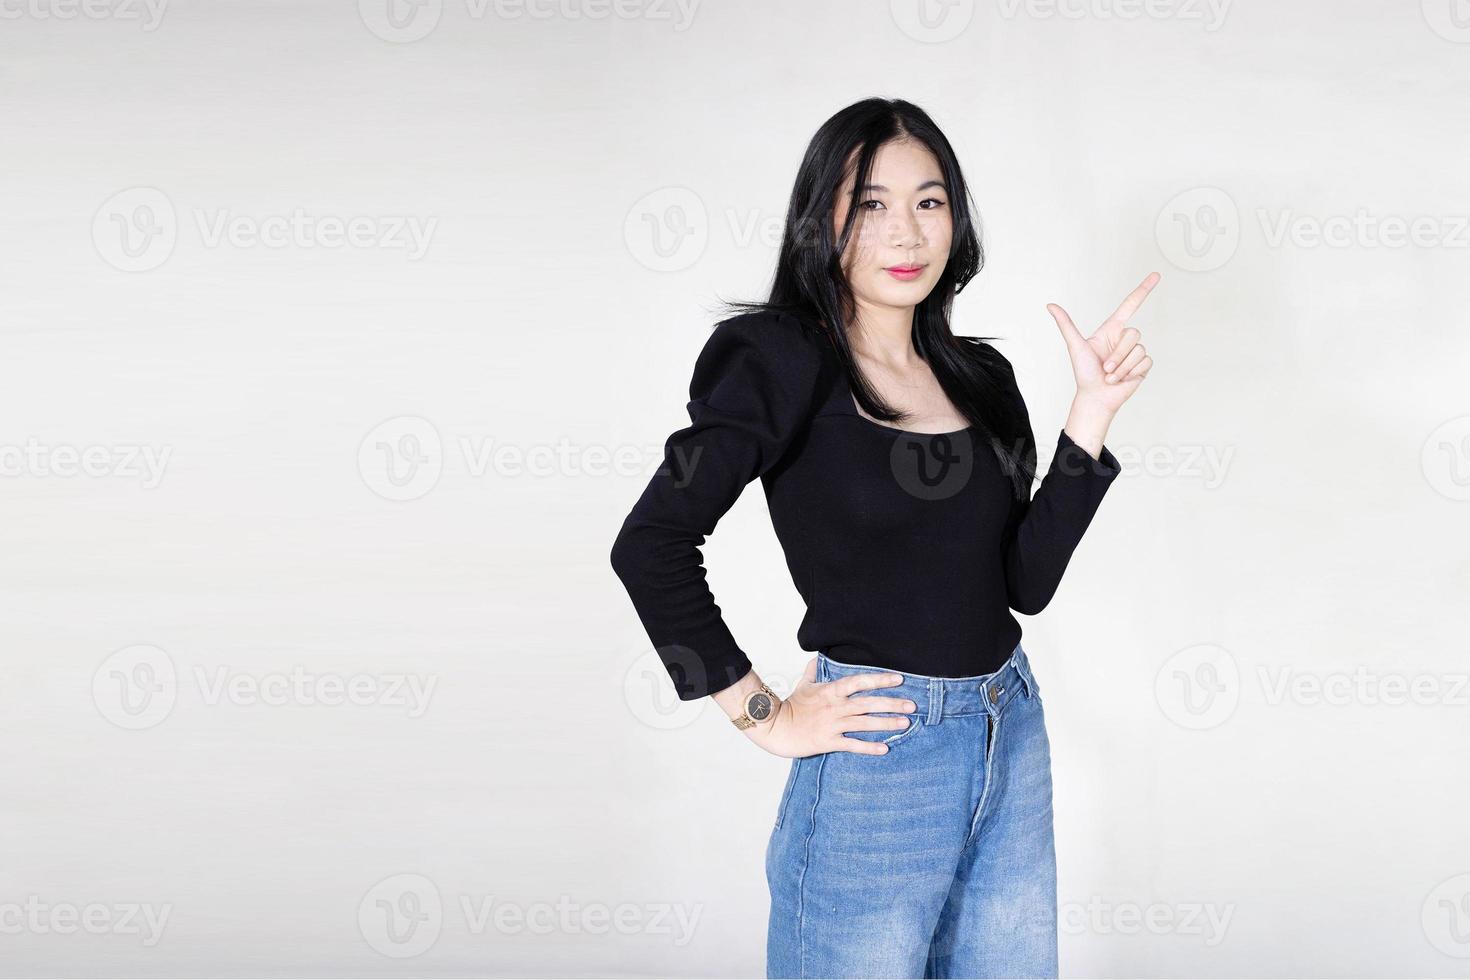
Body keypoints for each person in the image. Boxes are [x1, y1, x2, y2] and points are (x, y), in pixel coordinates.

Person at [609, 97, 1155, 979]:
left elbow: (1022, 581)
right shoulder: (776, 358)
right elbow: (649, 544)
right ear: (823, 218)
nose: (906, 231)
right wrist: (765, 715)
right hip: (878, 752)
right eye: (871, 203)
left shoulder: (984, 376)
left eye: (929, 201)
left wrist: (1089, 418)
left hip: (1008, 732)